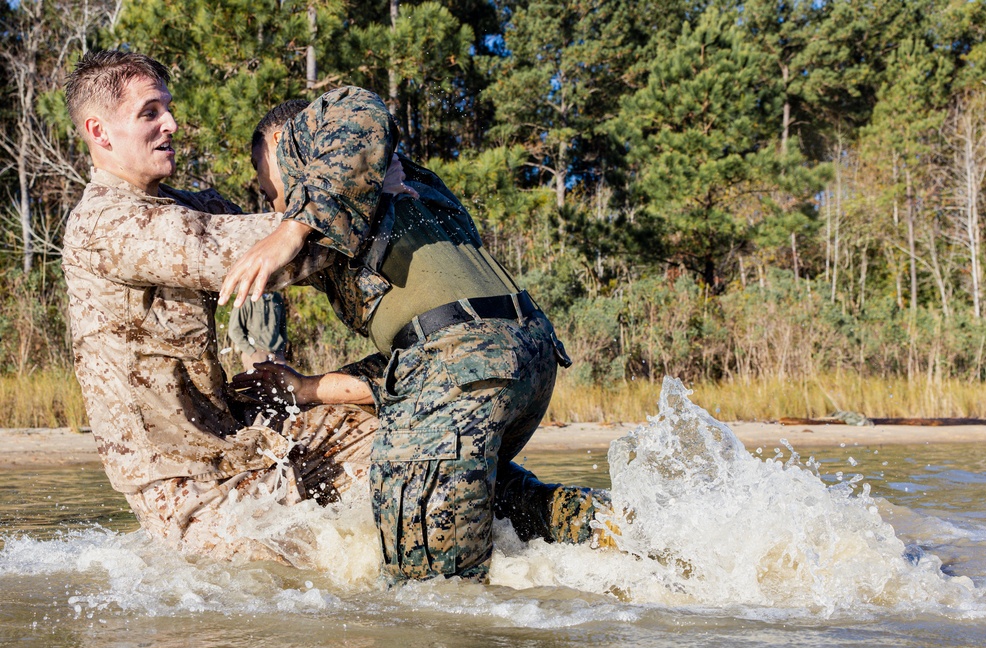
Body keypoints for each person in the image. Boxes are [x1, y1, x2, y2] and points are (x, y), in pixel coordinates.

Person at [225, 89, 613, 584]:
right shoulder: (410, 190)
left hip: (465, 367)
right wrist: (305, 388)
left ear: (287, 143)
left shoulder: (314, 148)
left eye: (267, 188)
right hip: (522, 356)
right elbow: (421, 361)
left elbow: (358, 107)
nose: (272, 203)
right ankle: (645, 534)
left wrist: (292, 229)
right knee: (505, 510)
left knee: (429, 603)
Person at [61, 50, 384, 565]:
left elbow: (271, 218)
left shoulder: (182, 206)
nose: (171, 124)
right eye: (150, 113)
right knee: (329, 576)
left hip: (236, 441)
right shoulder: (106, 225)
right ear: (100, 132)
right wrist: (369, 193)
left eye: (168, 108)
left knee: (395, 444)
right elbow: (260, 250)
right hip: (184, 484)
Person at [227, 291, 288, 371]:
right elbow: (234, 330)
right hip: (256, 352)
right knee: (257, 382)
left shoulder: (277, 298)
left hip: (276, 354)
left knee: (285, 382)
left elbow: (283, 326)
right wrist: (251, 352)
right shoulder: (246, 298)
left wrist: (281, 349)